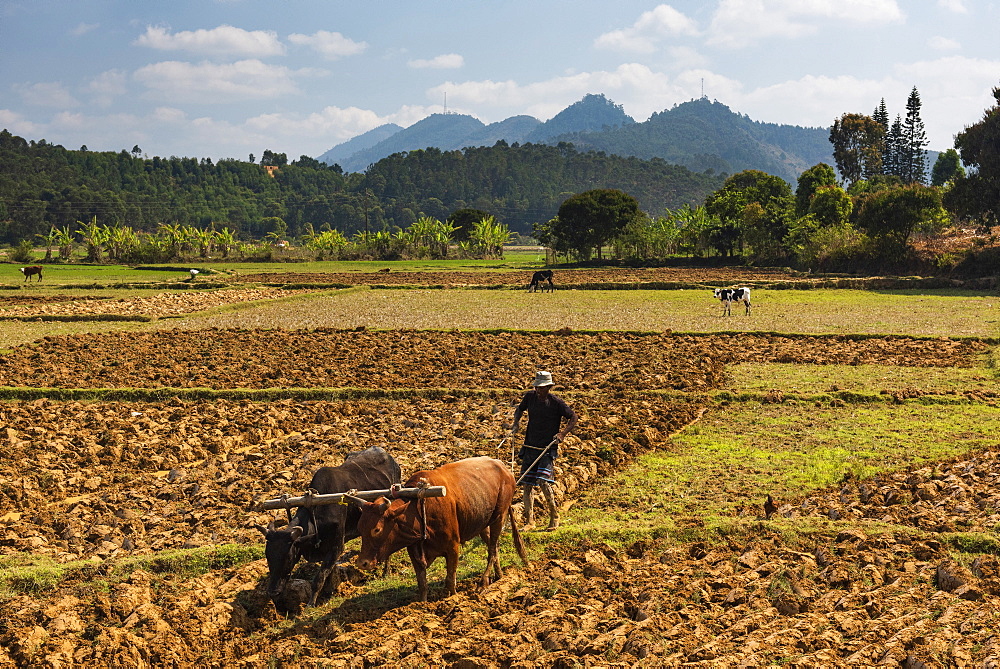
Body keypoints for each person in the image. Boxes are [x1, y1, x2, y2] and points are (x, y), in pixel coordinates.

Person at [510, 370, 577, 530]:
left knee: (543, 482)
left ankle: (554, 516)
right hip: (530, 446)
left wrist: (562, 433)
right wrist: (516, 423)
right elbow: (519, 409)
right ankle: (530, 522)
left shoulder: (556, 403)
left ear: (548, 387)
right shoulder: (530, 397)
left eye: (541, 388)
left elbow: (573, 417)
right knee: (527, 484)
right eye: (536, 387)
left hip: (547, 447)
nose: (538, 390)